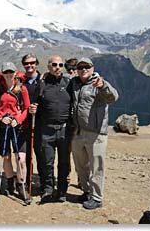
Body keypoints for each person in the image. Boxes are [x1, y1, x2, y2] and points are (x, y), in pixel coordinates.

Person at [68, 57, 119, 210]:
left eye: (87, 67)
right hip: (78, 131)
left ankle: (96, 197)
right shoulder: (74, 83)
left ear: (92, 68)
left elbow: (114, 97)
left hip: (96, 133)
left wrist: (103, 86)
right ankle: (86, 191)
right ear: (77, 69)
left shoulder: (99, 82)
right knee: (81, 165)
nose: (84, 69)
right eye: (80, 67)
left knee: (97, 166)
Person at [0, 62, 30, 201]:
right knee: (6, 157)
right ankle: (10, 183)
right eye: (6, 72)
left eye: (11, 72)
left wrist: (18, 120)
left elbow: (26, 109)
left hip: (18, 127)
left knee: (21, 159)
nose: (8, 75)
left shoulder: (22, 89)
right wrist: (1, 118)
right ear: (2, 73)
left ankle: (21, 186)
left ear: (15, 72)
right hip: (3, 127)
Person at [36, 55, 71, 203]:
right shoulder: (42, 84)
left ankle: (62, 191)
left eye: (61, 64)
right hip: (46, 129)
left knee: (64, 162)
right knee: (47, 161)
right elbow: (35, 102)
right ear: (48, 66)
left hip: (64, 129)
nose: (58, 67)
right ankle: (47, 189)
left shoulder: (69, 83)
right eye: (55, 64)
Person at [20, 53, 44, 194]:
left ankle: (43, 185)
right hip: (25, 124)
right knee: (27, 155)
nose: (29, 65)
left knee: (42, 155)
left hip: (40, 123)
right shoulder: (20, 82)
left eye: (32, 63)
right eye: (26, 63)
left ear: (36, 63)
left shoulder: (44, 80)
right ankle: (27, 183)